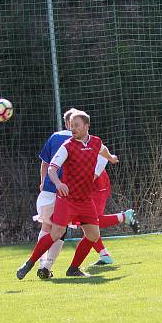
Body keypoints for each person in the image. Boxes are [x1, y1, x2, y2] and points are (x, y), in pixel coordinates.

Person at [32, 109, 137, 279]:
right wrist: (94, 174)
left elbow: (45, 164)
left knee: (49, 227)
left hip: (48, 192)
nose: (74, 127)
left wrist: (44, 182)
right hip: (70, 193)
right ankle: (48, 265)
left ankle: (42, 265)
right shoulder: (83, 140)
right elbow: (103, 157)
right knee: (72, 227)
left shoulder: (55, 137)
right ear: (71, 124)